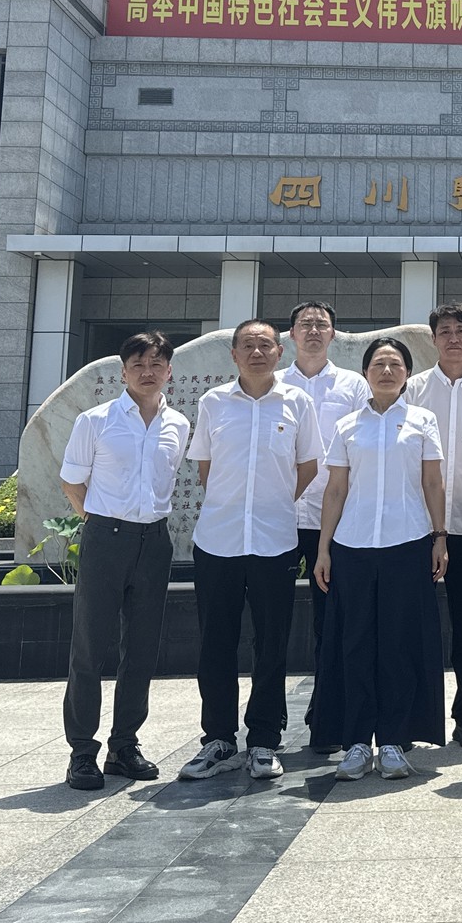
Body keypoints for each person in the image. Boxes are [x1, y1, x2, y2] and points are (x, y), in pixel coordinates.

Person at [181, 319, 325, 779]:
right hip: (218, 540)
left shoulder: (298, 402)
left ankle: (264, 739)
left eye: (266, 345)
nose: (257, 352)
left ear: (280, 353)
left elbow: (308, 464)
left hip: (274, 541)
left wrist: (275, 502)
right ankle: (219, 739)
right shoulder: (213, 402)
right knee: (215, 643)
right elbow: (205, 466)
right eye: (248, 345)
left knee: (272, 643)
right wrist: (232, 504)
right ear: (234, 354)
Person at [58, 332, 191, 790]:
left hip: (154, 541)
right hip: (105, 538)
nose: (147, 372)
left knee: (142, 648)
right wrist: (99, 523)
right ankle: (82, 751)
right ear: (123, 372)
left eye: (156, 364)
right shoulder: (95, 421)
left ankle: (124, 745)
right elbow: (72, 483)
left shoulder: (179, 424)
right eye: (138, 364)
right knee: (90, 647)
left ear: (169, 371)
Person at [312, 338, 449, 781]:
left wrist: (440, 537)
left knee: (398, 644)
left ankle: (392, 740)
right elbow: (336, 489)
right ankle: (355, 742)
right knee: (353, 643)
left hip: (407, 542)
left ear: (407, 373)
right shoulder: (347, 425)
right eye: (378, 364)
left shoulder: (423, 420)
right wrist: (324, 548)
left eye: (395, 364)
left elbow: (433, 482)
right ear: (365, 373)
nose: (386, 371)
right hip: (352, 545)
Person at [404, 302, 462, 748]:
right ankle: (409, 716)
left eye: (461, 331)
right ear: (433, 339)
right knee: (412, 623)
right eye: (445, 331)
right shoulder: (413, 389)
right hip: (417, 525)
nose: (453, 338)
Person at [281, 300, 369, 729]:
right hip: (279, 517)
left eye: (322, 324)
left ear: (334, 333)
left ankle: (327, 712)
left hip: (332, 519)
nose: (313, 331)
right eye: (305, 324)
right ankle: (268, 720)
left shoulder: (353, 385)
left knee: (330, 621)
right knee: (272, 621)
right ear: (291, 334)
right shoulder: (274, 384)